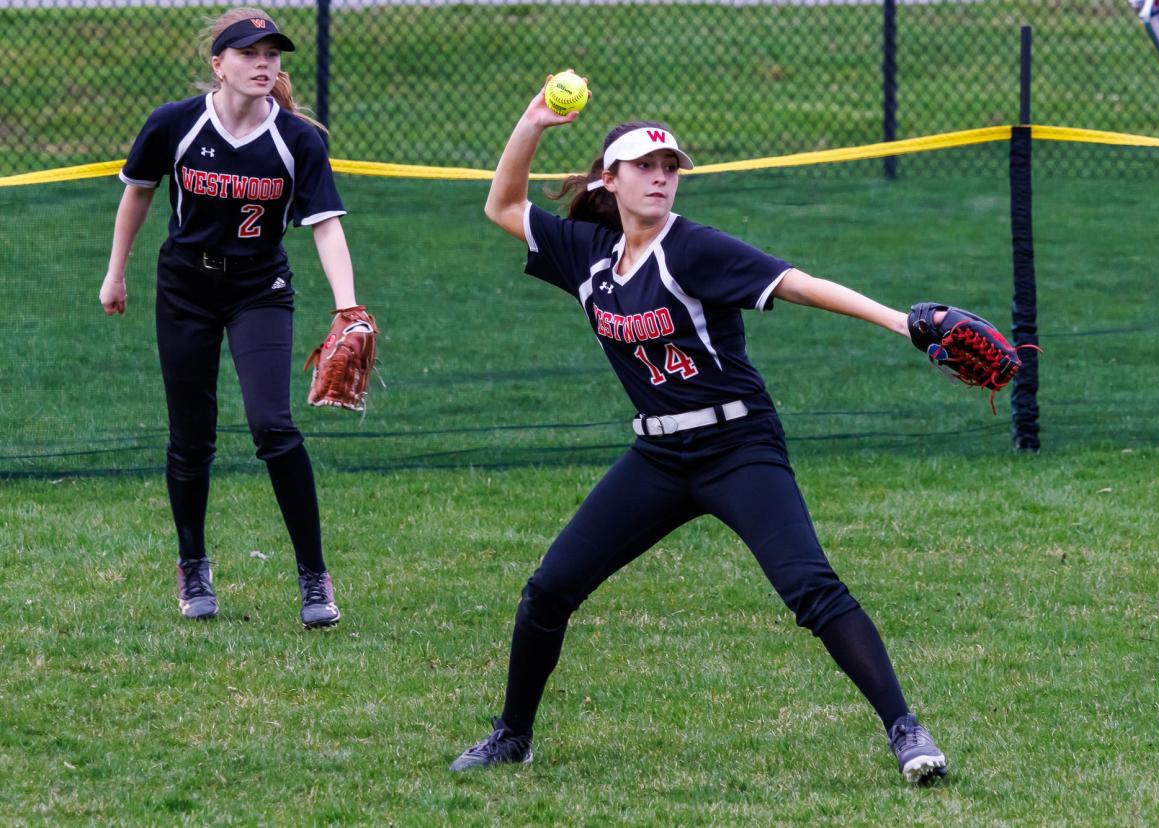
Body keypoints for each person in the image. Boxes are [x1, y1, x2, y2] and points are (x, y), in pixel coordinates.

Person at [449, 78, 950, 783]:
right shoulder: (587, 252)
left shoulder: (692, 249)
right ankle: (511, 735)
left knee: (809, 588)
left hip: (737, 446)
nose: (659, 178)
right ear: (609, 178)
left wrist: (900, 322)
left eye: (668, 168)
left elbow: (798, 283)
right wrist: (532, 120)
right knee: (547, 590)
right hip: (657, 455)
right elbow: (500, 204)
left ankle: (905, 729)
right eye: (643, 167)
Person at [99, 8, 360, 629]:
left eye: (272, 53)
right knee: (192, 438)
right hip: (185, 288)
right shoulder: (176, 124)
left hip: (258, 289)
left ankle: (313, 577)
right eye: (248, 53)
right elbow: (136, 191)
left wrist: (348, 305)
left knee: (274, 426)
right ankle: (193, 565)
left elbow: (326, 226)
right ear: (218, 65)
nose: (264, 63)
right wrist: (116, 272)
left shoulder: (297, 139)